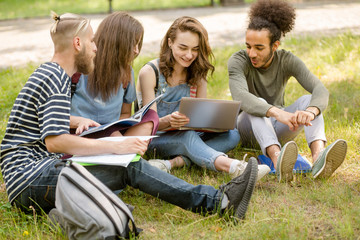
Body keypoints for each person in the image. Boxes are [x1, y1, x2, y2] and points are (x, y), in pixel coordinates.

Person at [0, 12, 258, 221]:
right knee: (127, 165)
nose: (95, 47)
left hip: (40, 175)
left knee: (125, 166)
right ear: (77, 43)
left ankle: (72, 214)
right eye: (91, 42)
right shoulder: (55, 77)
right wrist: (117, 144)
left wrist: (92, 129)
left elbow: (47, 128)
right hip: (32, 178)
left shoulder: (52, 74)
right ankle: (217, 201)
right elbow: (55, 142)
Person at [228, 0, 347, 182]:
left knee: (308, 100)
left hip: (277, 127)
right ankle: (277, 160)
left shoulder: (287, 60)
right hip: (247, 128)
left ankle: (319, 159)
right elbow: (241, 97)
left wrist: (310, 112)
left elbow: (319, 89)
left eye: (259, 48)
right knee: (258, 103)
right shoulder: (238, 60)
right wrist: (277, 112)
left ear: (274, 46)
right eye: (248, 46)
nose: (251, 53)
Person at [137, 16, 270, 180]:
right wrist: (169, 121)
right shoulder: (150, 73)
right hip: (156, 140)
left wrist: (214, 124)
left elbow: (199, 122)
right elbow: (148, 127)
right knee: (187, 137)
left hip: (187, 135)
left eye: (195, 49)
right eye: (183, 48)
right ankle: (235, 167)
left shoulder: (198, 73)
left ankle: (174, 163)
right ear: (170, 42)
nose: (189, 55)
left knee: (233, 135)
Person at [70, 12, 158, 138]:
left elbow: (126, 112)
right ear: (116, 42)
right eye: (133, 44)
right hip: (79, 133)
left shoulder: (127, 73)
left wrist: (110, 129)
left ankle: (125, 150)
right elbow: (55, 117)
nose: (136, 51)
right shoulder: (77, 69)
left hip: (110, 133)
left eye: (138, 45)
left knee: (151, 117)